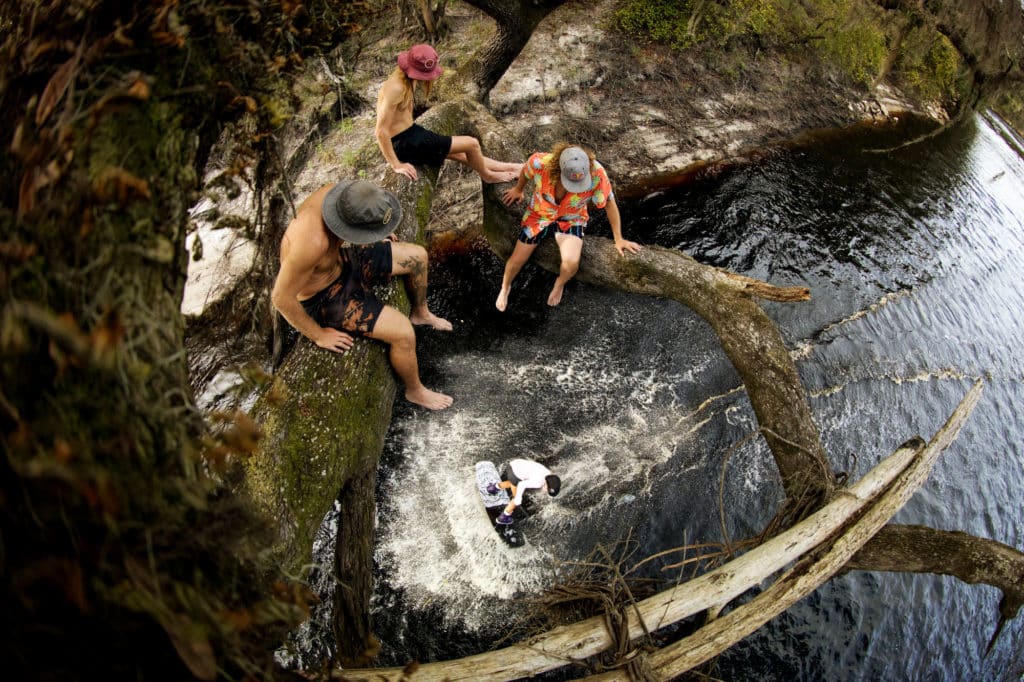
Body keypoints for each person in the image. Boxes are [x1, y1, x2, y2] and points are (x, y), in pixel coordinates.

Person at [271, 179, 454, 410]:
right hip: (325, 296)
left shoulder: (342, 195)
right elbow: (280, 298)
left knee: (418, 256)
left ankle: (421, 313)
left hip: (345, 261)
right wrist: (318, 335)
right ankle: (415, 391)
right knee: (403, 333)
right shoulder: (310, 243)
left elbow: (366, 210)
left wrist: (375, 230)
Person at [496, 143, 643, 310]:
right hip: (540, 213)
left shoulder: (597, 173)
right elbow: (525, 172)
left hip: (572, 218)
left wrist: (619, 238)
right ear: (558, 171)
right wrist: (518, 189)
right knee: (517, 259)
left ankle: (559, 283)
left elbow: (609, 203)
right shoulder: (540, 163)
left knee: (571, 263)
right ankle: (505, 287)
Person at [375, 43, 520, 183]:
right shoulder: (396, 88)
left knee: (461, 154)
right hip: (407, 144)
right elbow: (381, 131)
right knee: (472, 144)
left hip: (412, 135)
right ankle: (487, 176)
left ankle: (512, 167)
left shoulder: (405, 78)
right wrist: (396, 165)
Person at [486, 458, 561, 525]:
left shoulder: (548, 473)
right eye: (546, 489)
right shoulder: (539, 482)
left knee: (513, 483)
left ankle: (492, 488)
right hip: (514, 473)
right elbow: (522, 485)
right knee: (515, 499)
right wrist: (518, 498)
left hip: (514, 464)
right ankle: (503, 517)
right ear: (546, 483)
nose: (545, 491)